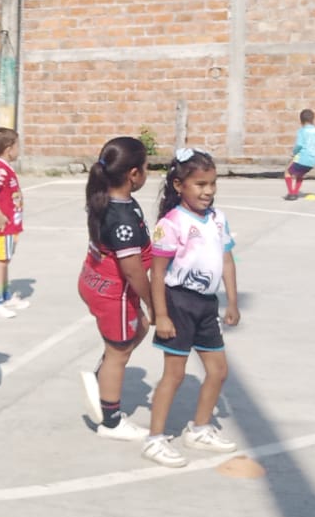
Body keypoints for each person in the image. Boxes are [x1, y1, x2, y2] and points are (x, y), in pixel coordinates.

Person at [145, 148, 241, 468]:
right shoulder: (172, 223)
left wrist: (232, 301)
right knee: (174, 374)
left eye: (212, 183)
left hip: (206, 304)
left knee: (218, 370)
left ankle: (199, 429)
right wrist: (161, 315)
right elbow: (157, 272)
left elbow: (227, 261)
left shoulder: (218, 219)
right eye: (200, 184)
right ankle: (154, 439)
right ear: (179, 185)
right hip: (178, 303)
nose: (208, 191)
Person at [77, 137, 155, 442]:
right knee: (118, 352)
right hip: (114, 293)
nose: (148, 172)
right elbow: (132, 270)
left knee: (140, 328)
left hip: (98, 282)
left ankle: (102, 376)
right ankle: (110, 422)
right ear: (134, 174)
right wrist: (153, 302)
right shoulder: (121, 218)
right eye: (147, 167)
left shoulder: (109, 198)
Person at [0, 127, 30, 318]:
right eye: (17, 146)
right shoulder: (1, 170)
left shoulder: (6, 168)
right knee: (0, 262)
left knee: (5, 261)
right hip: (2, 227)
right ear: (9, 149)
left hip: (11, 227)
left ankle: (6, 296)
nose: (19, 150)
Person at [285, 108, 315, 200]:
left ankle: (292, 193)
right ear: (313, 119)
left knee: (288, 172)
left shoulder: (302, 131)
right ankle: (295, 192)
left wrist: (294, 152)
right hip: (313, 161)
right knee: (300, 174)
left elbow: (299, 145)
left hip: (303, 158)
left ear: (301, 121)